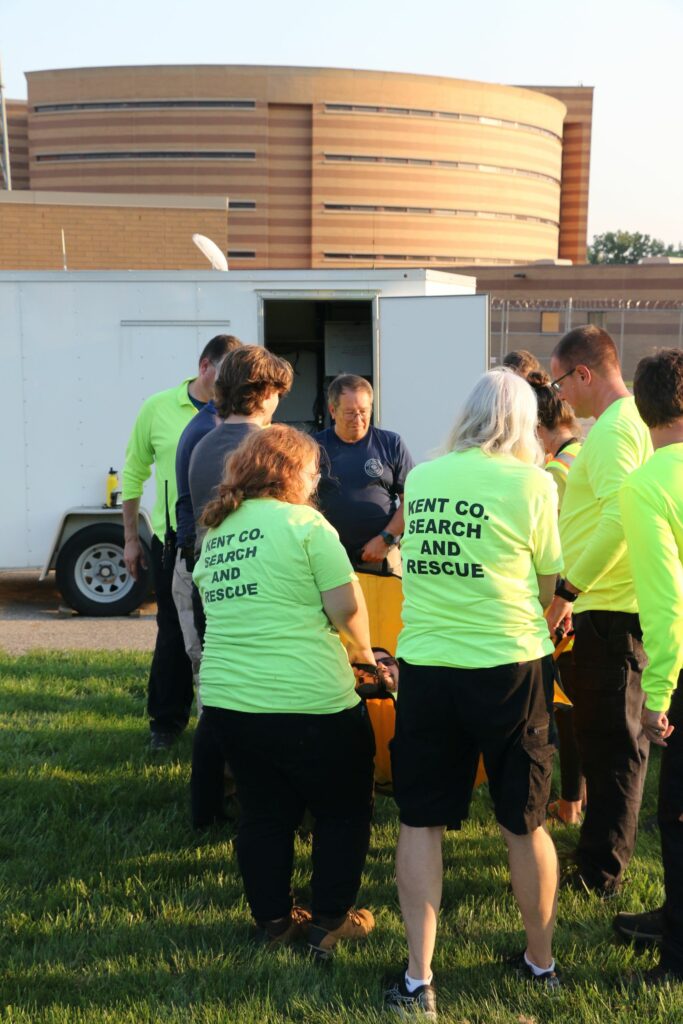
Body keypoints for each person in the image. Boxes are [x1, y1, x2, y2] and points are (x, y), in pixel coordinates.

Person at [384, 369, 564, 1017]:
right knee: (524, 819)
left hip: (428, 665)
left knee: (420, 817)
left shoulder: (424, 477)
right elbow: (547, 585)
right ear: (522, 421)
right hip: (510, 666)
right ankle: (539, 963)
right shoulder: (532, 484)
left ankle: (416, 976)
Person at [193, 425, 377, 955]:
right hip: (311, 701)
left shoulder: (218, 530)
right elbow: (345, 608)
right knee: (343, 810)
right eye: (314, 471)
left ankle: (274, 923)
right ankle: (329, 921)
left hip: (229, 701)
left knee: (263, 811)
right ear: (293, 473)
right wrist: (366, 654)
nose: (317, 480)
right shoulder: (305, 523)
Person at [544, 325, 652, 896]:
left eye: (562, 381)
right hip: (609, 605)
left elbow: (618, 518)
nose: (562, 396)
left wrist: (569, 589)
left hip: (608, 609)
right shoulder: (623, 424)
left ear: (583, 373)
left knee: (612, 745)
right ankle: (597, 858)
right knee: (606, 738)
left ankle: (599, 874)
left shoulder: (610, 433)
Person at [186, 345, 294, 829]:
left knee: (220, 697)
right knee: (258, 700)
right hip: (252, 588)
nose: (278, 403)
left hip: (210, 580)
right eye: (277, 393)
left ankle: (205, 804)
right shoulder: (263, 448)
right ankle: (257, 800)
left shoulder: (200, 438)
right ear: (265, 392)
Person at [122, 334, 236, 751]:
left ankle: (224, 719)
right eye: (225, 375)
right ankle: (166, 724)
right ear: (204, 366)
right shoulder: (158, 408)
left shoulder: (239, 412)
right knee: (172, 634)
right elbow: (134, 474)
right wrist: (132, 539)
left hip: (229, 542)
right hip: (175, 543)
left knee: (222, 633)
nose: (230, 385)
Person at [612, 349, 683, 986]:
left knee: (678, 815)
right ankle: (672, 916)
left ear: (642, 409)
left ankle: (678, 957)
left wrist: (658, 694)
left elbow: (666, 605)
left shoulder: (649, 483)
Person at [527, 373, 585, 825]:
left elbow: (552, 548)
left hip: (568, 602)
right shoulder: (581, 454)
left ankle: (568, 802)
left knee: (564, 711)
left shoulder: (554, 473)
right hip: (589, 595)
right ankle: (576, 800)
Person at [172, 335, 242, 695]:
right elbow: (192, 505)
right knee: (206, 660)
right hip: (201, 558)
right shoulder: (207, 429)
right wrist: (192, 558)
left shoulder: (218, 425)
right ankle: (211, 742)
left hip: (207, 556)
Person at [315, 374, 414, 575]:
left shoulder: (391, 443)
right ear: (333, 411)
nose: (358, 419)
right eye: (350, 413)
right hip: (328, 559)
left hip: (382, 557)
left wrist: (386, 539)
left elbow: (412, 501)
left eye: (364, 411)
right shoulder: (313, 447)